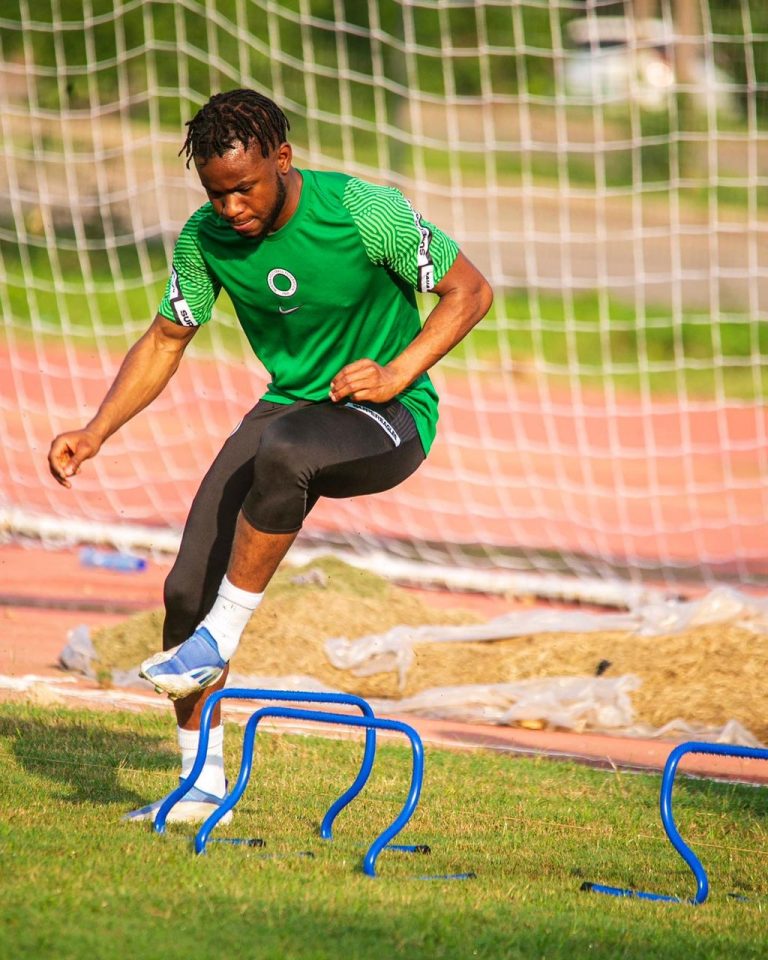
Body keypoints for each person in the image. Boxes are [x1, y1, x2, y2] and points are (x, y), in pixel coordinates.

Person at [48, 88, 493, 823]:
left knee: (284, 452)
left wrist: (397, 373)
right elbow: (165, 339)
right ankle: (201, 790)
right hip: (291, 408)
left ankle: (220, 637)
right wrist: (97, 431)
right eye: (215, 193)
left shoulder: (363, 211)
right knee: (184, 591)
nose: (231, 208)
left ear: (282, 160)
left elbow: (469, 292)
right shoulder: (204, 240)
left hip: (389, 417)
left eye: (244, 188)